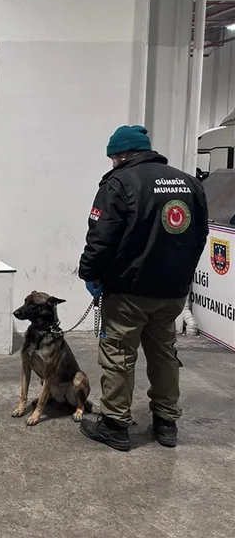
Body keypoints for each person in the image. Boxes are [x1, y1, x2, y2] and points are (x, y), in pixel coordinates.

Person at [78, 125, 208, 452]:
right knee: (164, 353)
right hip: (173, 292)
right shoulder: (189, 183)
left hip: (129, 290)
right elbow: (200, 236)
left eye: (113, 157)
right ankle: (166, 422)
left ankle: (114, 425)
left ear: (123, 154)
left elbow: (101, 238)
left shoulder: (120, 183)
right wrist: (182, 275)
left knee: (118, 354)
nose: (112, 163)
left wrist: (90, 274)